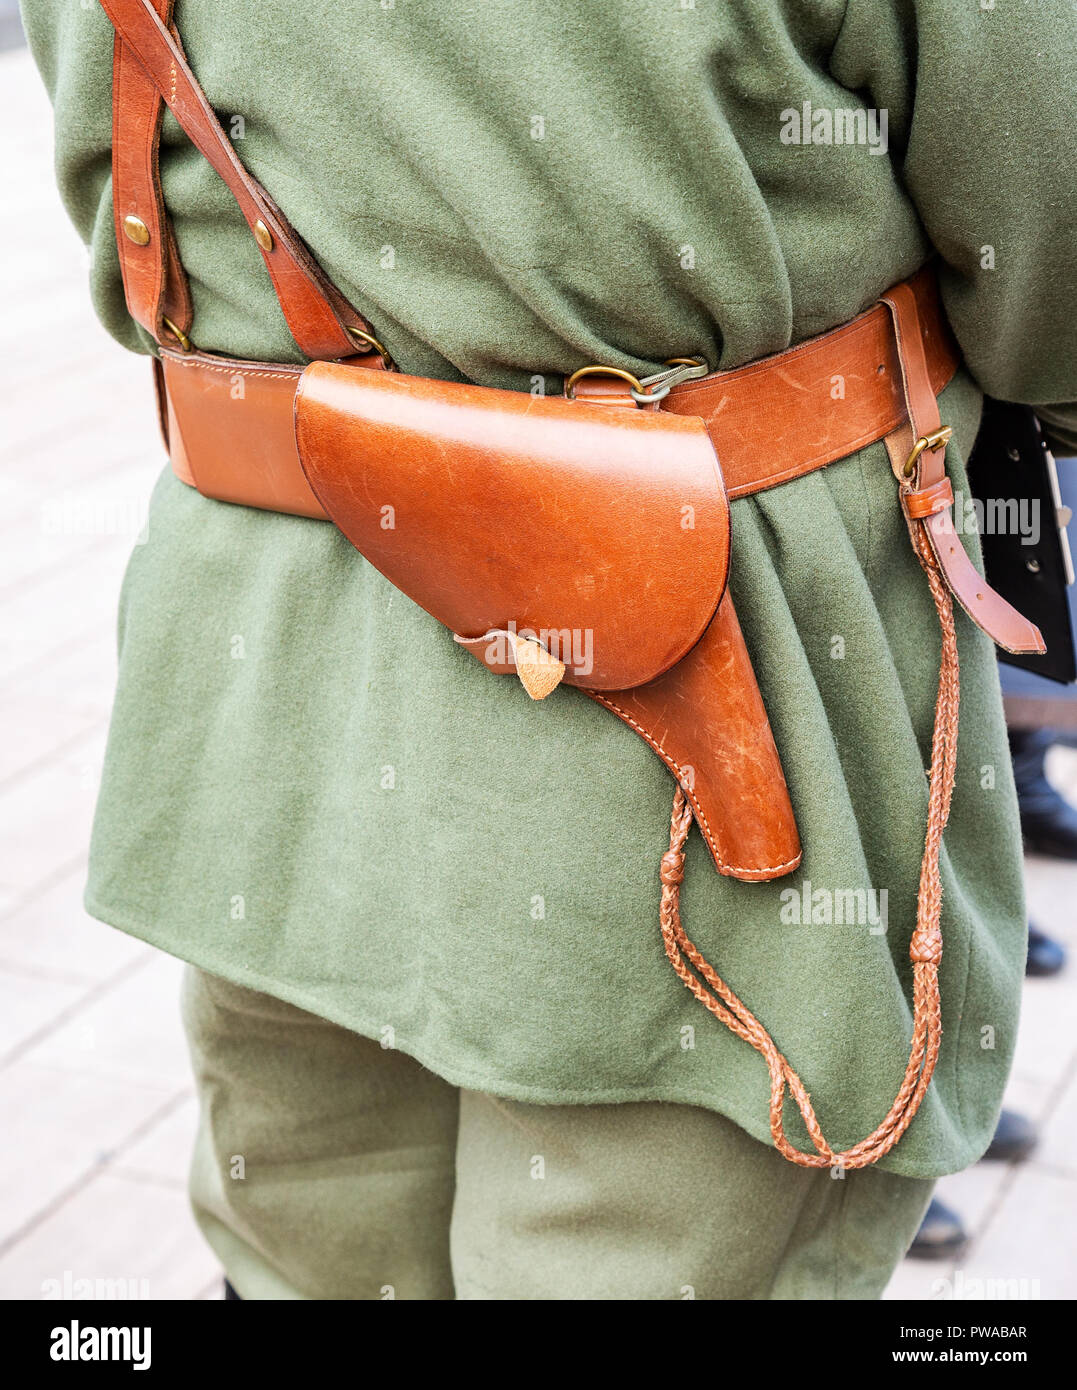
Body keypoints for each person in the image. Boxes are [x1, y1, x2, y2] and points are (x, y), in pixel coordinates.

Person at [20, 0, 1077, 1299]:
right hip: (701, 696)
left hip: (270, 707)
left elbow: (112, 170)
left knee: (307, 1243)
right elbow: (1049, 223)